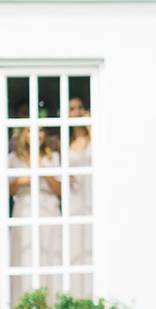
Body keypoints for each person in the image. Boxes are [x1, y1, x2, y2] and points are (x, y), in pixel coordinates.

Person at [9, 127, 62, 268]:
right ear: (24, 135)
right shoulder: (13, 158)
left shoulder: (53, 157)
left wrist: (45, 172)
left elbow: (60, 190)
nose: (37, 135)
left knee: (50, 248)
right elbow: (4, 193)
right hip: (23, 207)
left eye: (40, 130)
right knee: (25, 250)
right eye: (30, 131)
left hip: (49, 206)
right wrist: (18, 181)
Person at [69, 97, 92, 270]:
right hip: (73, 196)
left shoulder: (93, 137)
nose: (76, 112)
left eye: (80, 107)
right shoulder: (63, 141)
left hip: (92, 192)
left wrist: (91, 126)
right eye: (72, 109)